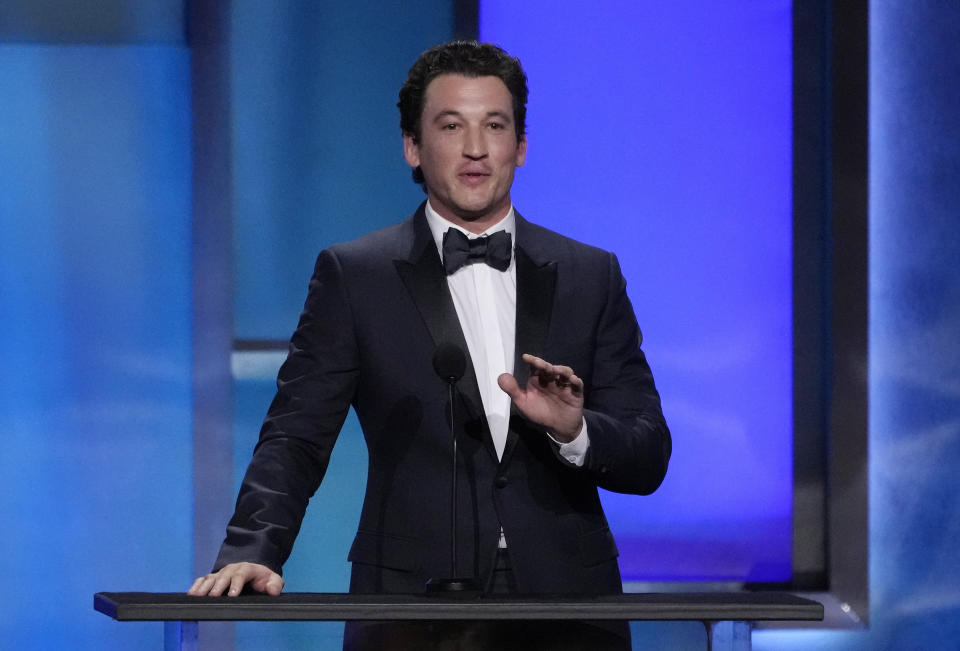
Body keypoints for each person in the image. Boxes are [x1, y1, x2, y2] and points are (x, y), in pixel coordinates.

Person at [189, 40, 671, 649]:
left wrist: (574, 432)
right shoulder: (355, 274)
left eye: (495, 126)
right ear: (413, 148)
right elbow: (297, 432)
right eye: (451, 126)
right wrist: (254, 548)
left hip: (568, 604)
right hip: (409, 605)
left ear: (520, 147)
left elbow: (649, 451)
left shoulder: (589, 274)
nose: (476, 148)